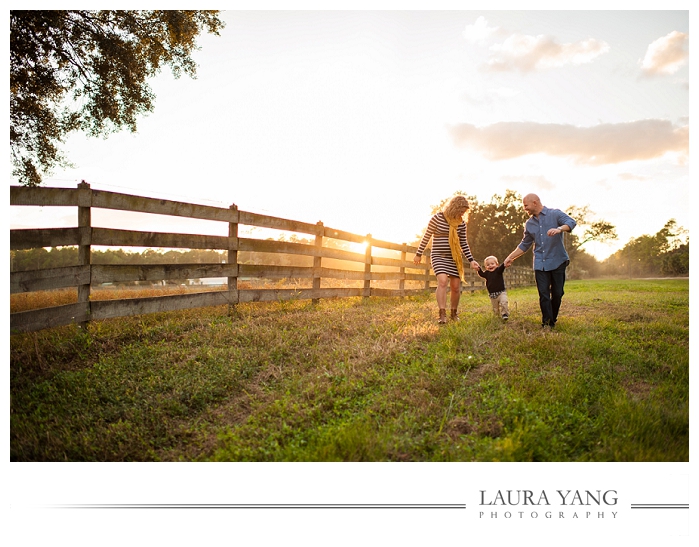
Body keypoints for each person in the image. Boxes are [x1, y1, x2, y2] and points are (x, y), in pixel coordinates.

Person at [504, 193, 576, 328]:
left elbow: (571, 222)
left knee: (557, 293)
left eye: (526, 205)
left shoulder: (555, 214)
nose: (525, 208)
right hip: (540, 263)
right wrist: (510, 257)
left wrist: (559, 229)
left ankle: (552, 319)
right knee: (543, 294)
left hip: (557, 260)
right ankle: (547, 323)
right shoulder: (529, 224)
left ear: (535, 202)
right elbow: (524, 245)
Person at [413, 195, 480, 324]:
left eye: (464, 211)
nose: (462, 213)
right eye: (461, 210)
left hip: (454, 258)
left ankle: (454, 313)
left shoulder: (461, 224)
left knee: (455, 287)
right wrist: (418, 253)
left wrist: (471, 260)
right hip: (438, 256)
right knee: (443, 282)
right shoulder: (437, 218)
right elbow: (426, 236)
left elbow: (463, 243)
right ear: (454, 207)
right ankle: (442, 314)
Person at [477, 255, 510, 321]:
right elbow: (481, 274)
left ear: (497, 264)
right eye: (488, 265)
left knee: (504, 302)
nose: (490, 266)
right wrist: (479, 269)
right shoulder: (487, 273)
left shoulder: (498, 271)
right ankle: (496, 316)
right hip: (492, 294)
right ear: (486, 267)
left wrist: (505, 263)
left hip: (501, 292)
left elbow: (502, 267)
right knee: (495, 308)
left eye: (492, 264)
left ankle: (505, 314)